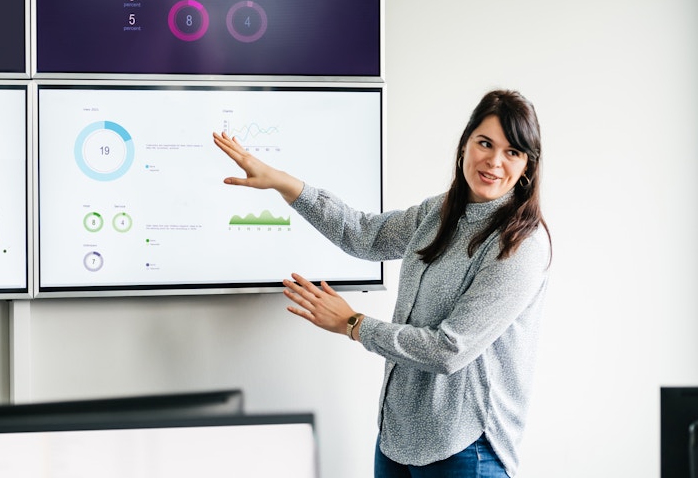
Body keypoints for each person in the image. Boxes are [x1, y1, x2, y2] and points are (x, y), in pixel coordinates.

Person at [212, 89, 551, 478]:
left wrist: (354, 324)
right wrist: (284, 184)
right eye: (485, 143)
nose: (494, 161)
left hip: (464, 448)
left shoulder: (520, 245)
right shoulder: (439, 213)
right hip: (396, 438)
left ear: (527, 166)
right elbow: (364, 235)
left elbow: (448, 350)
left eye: (512, 152)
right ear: (465, 145)